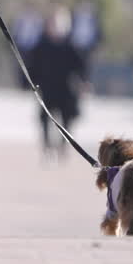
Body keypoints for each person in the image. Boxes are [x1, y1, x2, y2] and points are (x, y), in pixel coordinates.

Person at [27, 8, 87, 158]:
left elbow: (81, 66)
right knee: (45, 118)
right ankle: (47, 146)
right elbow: (31, 66)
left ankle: (63, 145)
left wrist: (84, 82)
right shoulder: (41, 45)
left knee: (67, 118)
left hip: (66, 89)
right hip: (47, 88)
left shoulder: (71, 45)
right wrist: (30, 83)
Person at [70, 0, 103, 79]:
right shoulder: (74, 17)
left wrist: (96, 46)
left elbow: (99, 34)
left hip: (88, 48)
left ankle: (85, 83)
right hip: (75, 47)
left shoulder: (94, 19)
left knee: (86, 68)